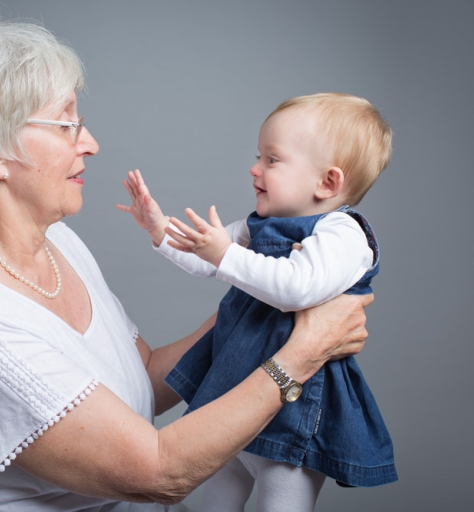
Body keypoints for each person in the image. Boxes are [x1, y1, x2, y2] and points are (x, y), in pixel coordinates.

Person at [0, 12, 373, 512]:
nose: (90, 142)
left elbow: (139, 377)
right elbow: (157, 474)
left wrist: (270, 312)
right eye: (65, 123)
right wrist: (306, 348)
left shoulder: (57, 242)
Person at [118, 93, 397, 512]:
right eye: (258, 156)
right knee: (217, 495)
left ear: (328, 182)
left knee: (280, 500)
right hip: (238, 391)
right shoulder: (262, 225)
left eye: (272, 159)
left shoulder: (343, 235)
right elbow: (206, 260)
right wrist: (161, 231)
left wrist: (225, 254)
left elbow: (296, 289)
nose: (255, 168)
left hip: (293, 408)